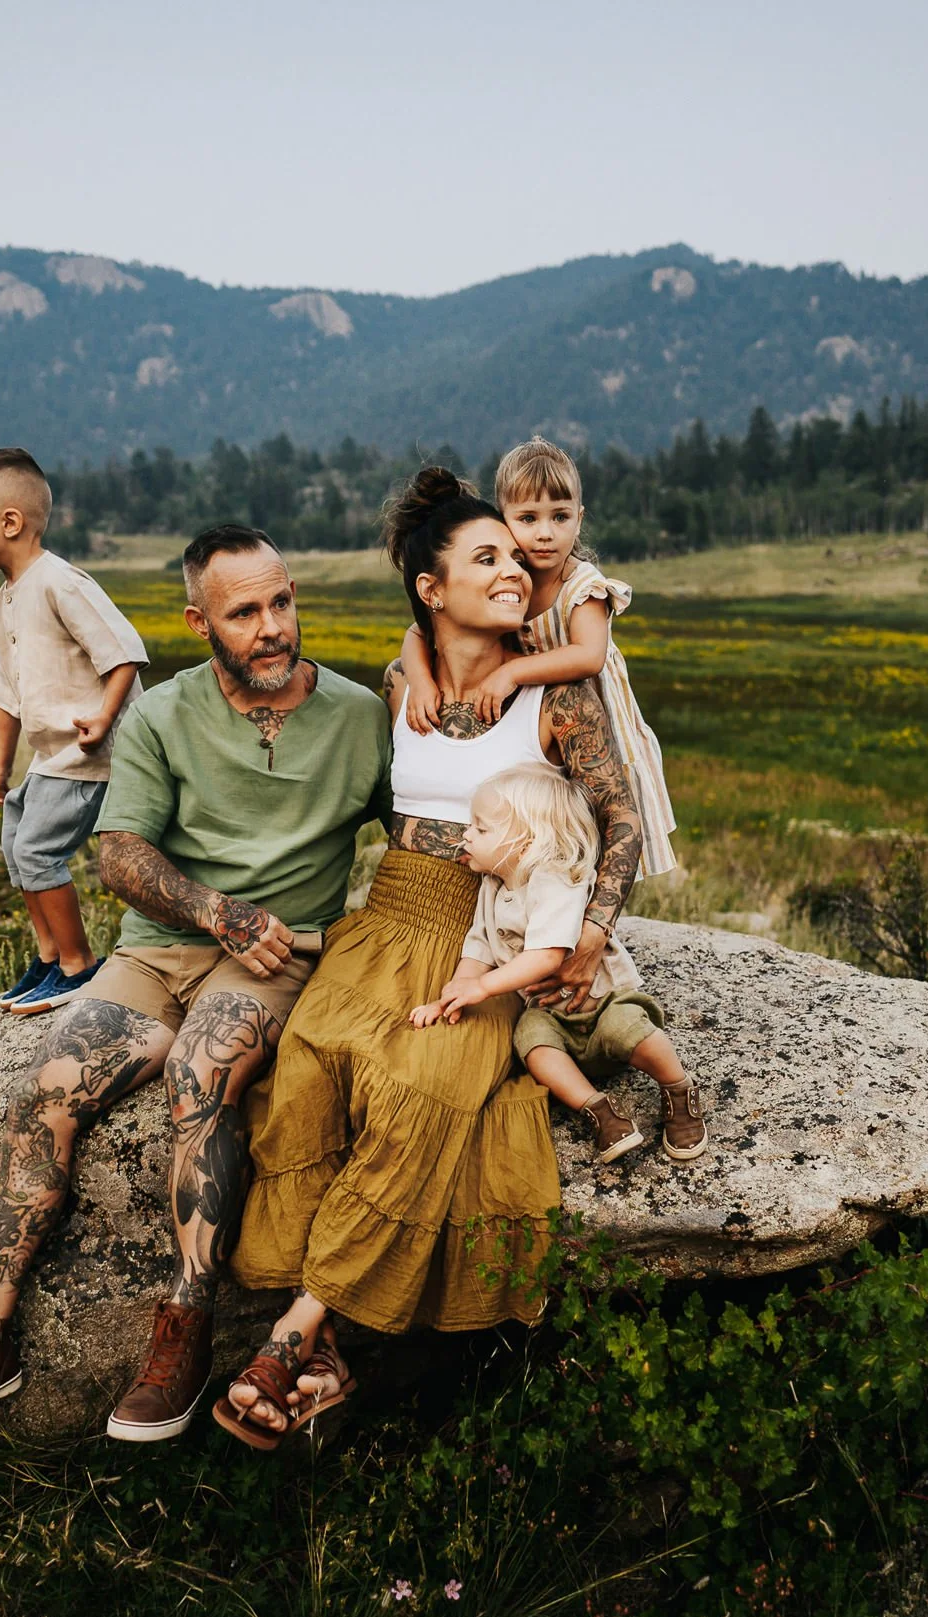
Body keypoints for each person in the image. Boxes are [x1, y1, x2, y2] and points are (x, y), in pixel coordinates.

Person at [0, 523, 392, 1441]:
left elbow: (424, 839)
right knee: (47, 1090)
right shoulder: (163, 712)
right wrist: (215, 910)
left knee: (204, 1071)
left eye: (281, 602)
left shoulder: (359, 715)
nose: (271, 627)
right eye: (244, 612)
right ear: (198, 621)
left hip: (277, 960)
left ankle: (183, 1332)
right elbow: (119, 855)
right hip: (159, 947)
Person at [212, 467, 646, 1450]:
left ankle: (291, 1339)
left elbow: (615, 824)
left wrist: (584, 933)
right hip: (388, 916)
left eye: (515, 555)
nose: (513, 569)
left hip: (488, 933)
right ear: (427, 587)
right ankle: (324, 1360)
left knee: (420, 1092)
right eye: (484, 557)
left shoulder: (557, 690)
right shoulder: (400, 679)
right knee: (312, 1068)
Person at [397, 436, 680, 880]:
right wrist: (421, 680)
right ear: (504, 519)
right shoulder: (515, 577)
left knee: (602, 821)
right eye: (528, 519)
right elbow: (417, 632)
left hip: (595, 721)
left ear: (579, 519)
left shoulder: (582, 586)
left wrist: (512, 671)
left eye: (560, 517)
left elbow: (588, 657)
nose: (545, 533)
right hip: (538, 725)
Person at [410, 763, 704, 1165]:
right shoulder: (493, 886)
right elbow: (478, 946)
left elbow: (548, 954)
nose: (467, 835)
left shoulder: (554, 878)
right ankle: (600, 1111)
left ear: (524, 840)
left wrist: (483, 988)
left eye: (480, 829)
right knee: (530, 1042)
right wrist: (452, 995)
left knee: (627, 1030)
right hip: (550, 1012)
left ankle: (677, 1087)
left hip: (601, 1002)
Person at [0, 447, 150, 1016]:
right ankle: (47, 959)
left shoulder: (61, 582)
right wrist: (0, 764)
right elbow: (6, 693)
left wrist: (104, 717)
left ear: (10, 522)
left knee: (39, 850)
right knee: (15, 842)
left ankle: (77, 967)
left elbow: (123, 653)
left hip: (92, 755)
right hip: (51, 758)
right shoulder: (3, 602)